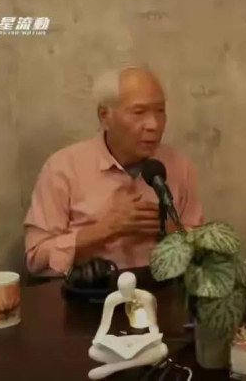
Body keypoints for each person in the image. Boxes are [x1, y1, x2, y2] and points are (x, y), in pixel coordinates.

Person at [24, 66, 204, 276]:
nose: (154, 125)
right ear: (105, 116)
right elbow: (36, 259)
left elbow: (204, 249)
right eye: (139, 112)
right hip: (90, 291)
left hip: (163, 288)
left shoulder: (179, 166)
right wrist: (105, 229)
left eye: (160, 111)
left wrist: (168, 230)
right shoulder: (62, 168)